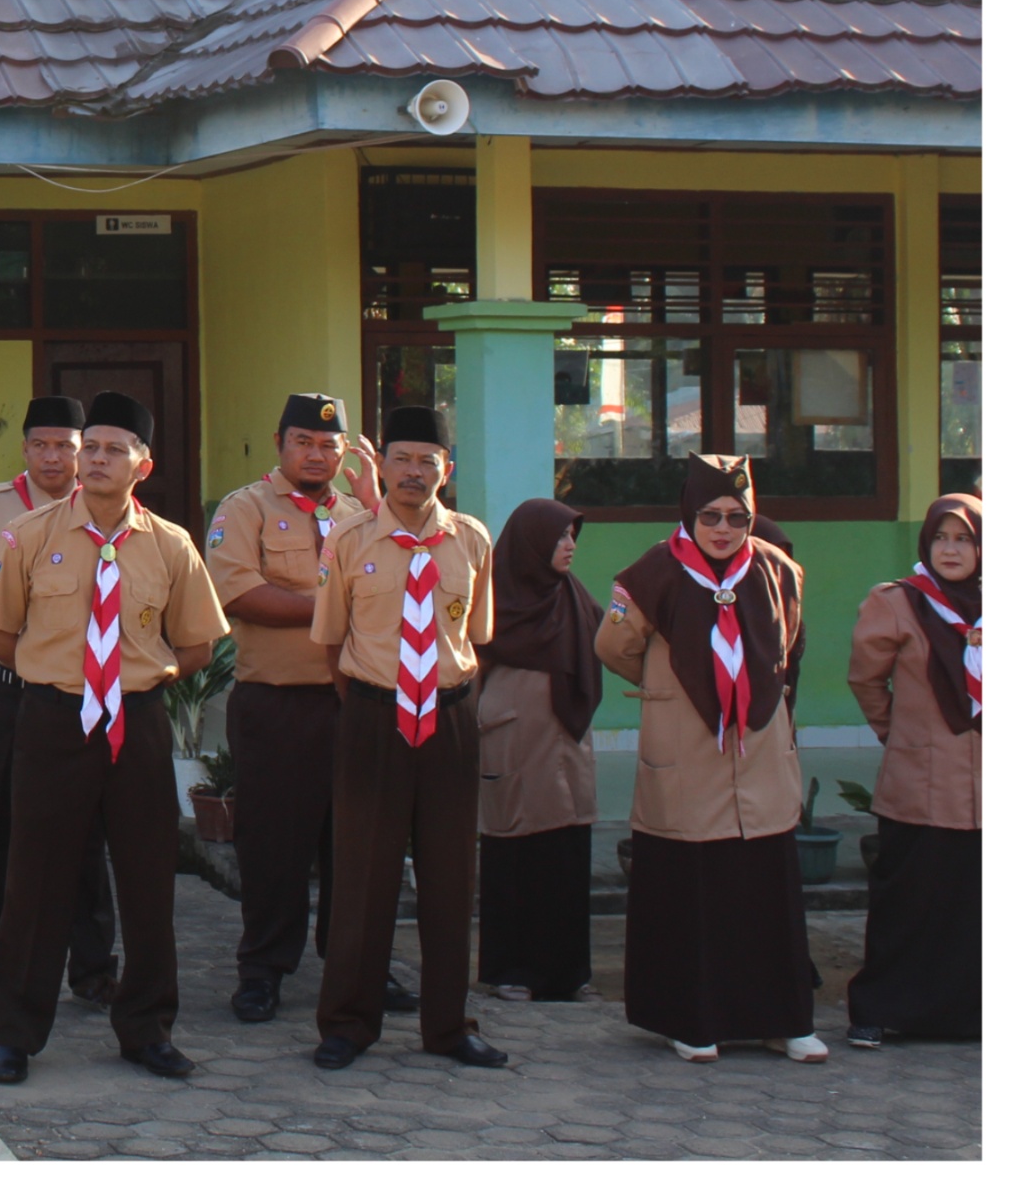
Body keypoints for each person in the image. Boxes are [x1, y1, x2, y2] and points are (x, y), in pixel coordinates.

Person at [0, 391, 229, 1085]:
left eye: (115, 450)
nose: (97, 461)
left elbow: (199, 644)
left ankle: (146, 1029)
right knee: (35, 878)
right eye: (92, 449)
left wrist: (144, 678)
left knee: (148, 880)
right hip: (53, 719)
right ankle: (16, 1035)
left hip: (136, 721)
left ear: (142, 465)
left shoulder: (171, 546)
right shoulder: (28, 535)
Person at [598, 454, 817, 1063]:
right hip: (687, 753)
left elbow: (790, 636)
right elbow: (615, 645)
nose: (723, 529)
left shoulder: (776, 570)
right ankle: (690, 1020)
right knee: (692, 892)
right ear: (688, 514)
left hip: (760, 753)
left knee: (765, 889)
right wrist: (668, 683)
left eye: (737, 517)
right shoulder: (652, 572)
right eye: (710, 516)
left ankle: (783, 1020)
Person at [307, 405, 505, 1070]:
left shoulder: (472, 540)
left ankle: (448, 1026)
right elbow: (332, 642)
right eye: (402, 459)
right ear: (379, 466)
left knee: (452, 876)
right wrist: (374, 701)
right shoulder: (350, 539)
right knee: (363, 873)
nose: (414, 473)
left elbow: (475, 636)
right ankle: (347, 1023)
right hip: (372, 716)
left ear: (448, 470)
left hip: (449, 718)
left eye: (428, 462)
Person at [202, 392, 390, 1024]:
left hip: (357, 702)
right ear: (281, 443)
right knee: (274, 845)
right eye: (305, 442)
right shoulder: (245, 508)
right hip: (278, 707)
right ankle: (263, 970)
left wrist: (379, 500)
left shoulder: (364, 513)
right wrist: (334, 606)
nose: (317, 454)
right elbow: (240, 593)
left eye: (329, 445)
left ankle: (357, 963)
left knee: (358, 842)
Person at [0, 395, 119, 1024]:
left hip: (79, 693)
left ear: (83, 450)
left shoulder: (109, 511)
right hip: (6, 690)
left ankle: (93, 971)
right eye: (41, 444)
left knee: (85, 829)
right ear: (24, 449)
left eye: (66, 446)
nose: (53, 457)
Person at [843, 493, 982, 1049]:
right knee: (911, 904)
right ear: (926, 542)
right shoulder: (898, 602)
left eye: (965, 539)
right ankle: (880, 1009)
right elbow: (866, 680)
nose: (952, 550)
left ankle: (973, 1012)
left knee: (976, 908)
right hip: (920, 786)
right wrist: (896, 733)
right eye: (942, 538)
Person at [473, 498, 603, 1003]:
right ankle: (513, 969)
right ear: (531, 544)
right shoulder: (494, 599)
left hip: (565, 742)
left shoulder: (571, 596)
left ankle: (567, 973)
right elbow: (472, 667)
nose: (570, 546)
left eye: (573, 536)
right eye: (560, 537)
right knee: (515, 851)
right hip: (513, 737)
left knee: (567, 850)